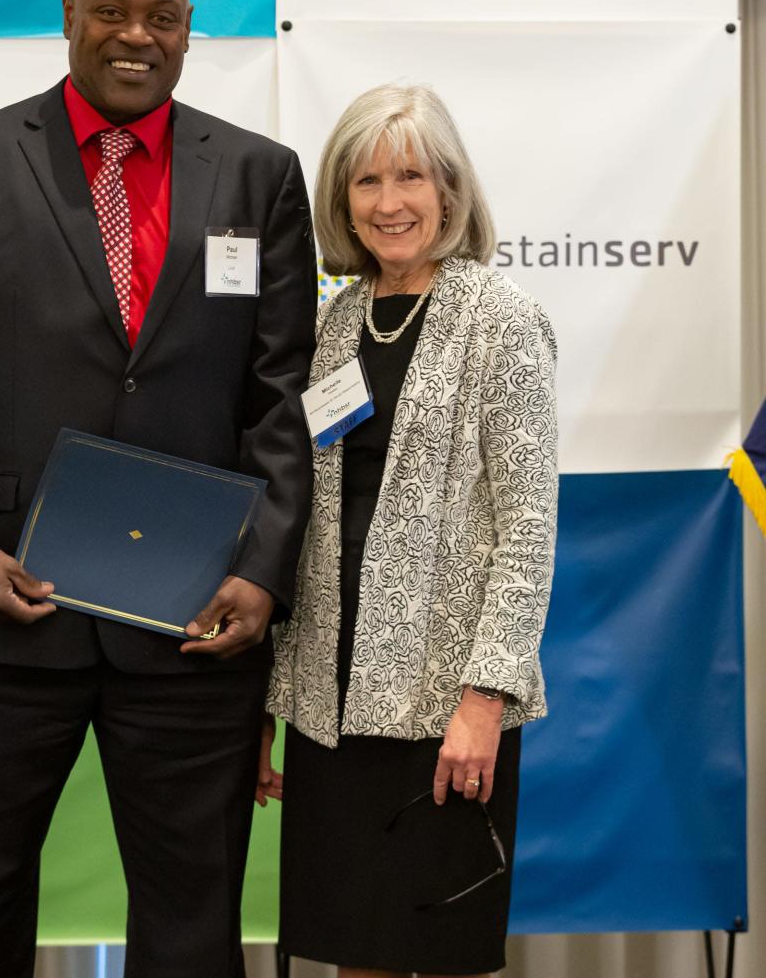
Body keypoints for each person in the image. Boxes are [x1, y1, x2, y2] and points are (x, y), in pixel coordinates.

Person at [0, 0, 317, 978]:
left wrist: (260, 572)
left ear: (189, 31)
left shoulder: (259, 178)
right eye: (113, 11)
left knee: (191, 930)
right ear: (70, 14)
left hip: (191, 631)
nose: (137, 36)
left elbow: (283, 399)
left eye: (162, 17)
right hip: (2, 615)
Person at [261, 83, 557, 978]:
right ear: (339, 201)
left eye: (411, 176)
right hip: (335, 710)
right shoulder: (337, 323)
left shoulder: (500, 320)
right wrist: (281, 702)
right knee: (357, 955)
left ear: (450, 190)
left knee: (441, 951)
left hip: (443, 711)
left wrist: (484, 700)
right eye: (365, 182)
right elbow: (310, 525)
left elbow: (529, 526)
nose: (389, 202)